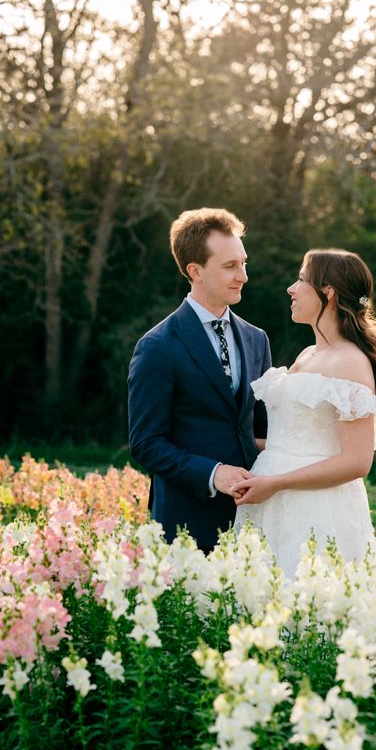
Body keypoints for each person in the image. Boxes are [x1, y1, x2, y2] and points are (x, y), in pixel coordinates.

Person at [232, 248, 376, 577]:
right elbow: (300, 440)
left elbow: (357, 461)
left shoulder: (350, 361)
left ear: (328, 292)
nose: (291, 289)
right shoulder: (308, 354)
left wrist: (277, 482)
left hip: (315, 507)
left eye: (300, 280)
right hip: (271, 500)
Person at [127, 207, 272, 553]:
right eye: (230, 266)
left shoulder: (257, 339)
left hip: (254, 520)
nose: (243, 276)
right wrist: (214, 473)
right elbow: (146, 443)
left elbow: (262, 429)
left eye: (243, 263)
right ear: (195, 271)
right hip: (186, 524)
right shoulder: (158, 346)